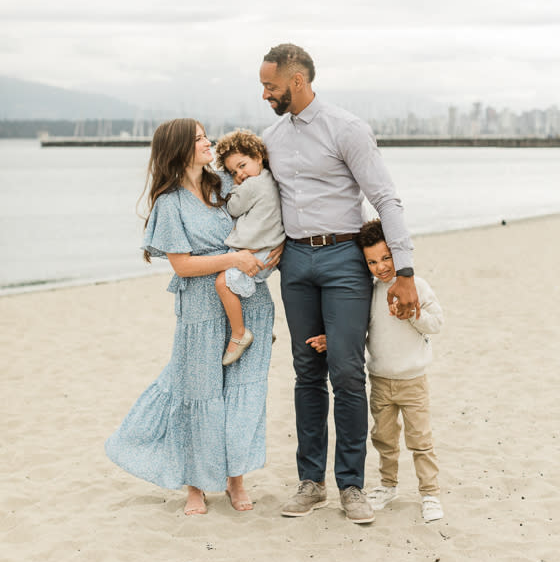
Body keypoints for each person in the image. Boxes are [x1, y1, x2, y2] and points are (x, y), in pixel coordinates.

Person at [259, 43, 418, 525]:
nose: (265, 93)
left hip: (344, 260)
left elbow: (386, 199)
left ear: (298, 82)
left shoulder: (347, 129)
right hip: (295, 264)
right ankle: (311, 483)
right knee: (306, 370)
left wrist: (405, 270)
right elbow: (253, 195)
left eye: (271, 85)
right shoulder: (271, 137)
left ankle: (351, 485)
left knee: (346, 372)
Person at [105, 118, 278, 515]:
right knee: (198, 395)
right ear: (181, 148)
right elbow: (182, 265)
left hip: (249, 299)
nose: (209, 143)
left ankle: (236, 478)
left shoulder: (226, 183)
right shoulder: (169, 203)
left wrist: (275, 249)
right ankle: (196, 485)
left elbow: (268, 210)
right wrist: (235, 257)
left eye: (206, 136)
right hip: (200, 309)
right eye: (200, 139)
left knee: (241, 393)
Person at [307, 219, 444, 523]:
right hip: (380, 379)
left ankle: (429, 493)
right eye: (372, 261)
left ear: (397, 253)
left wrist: (412, 314)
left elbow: (436, 323)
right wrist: (335, 340)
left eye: (386, 258)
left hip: (413, 380)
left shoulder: (415, 286)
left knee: (420, 439)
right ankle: (388, 486)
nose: (381, 267)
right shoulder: (369, 293)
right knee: (383, 438)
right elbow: (361, 332)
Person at [213, 129, 285, 366]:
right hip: (267, 251)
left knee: (222, 284)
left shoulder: (252, 185)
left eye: (242, 166)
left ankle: (239, 334)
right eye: (234, 172)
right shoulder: (271, 179)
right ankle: (262, 331)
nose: (240, 174)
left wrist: (232, 187)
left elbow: (233, 208)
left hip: (257, 252)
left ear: (258, 155)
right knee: (241, 289)